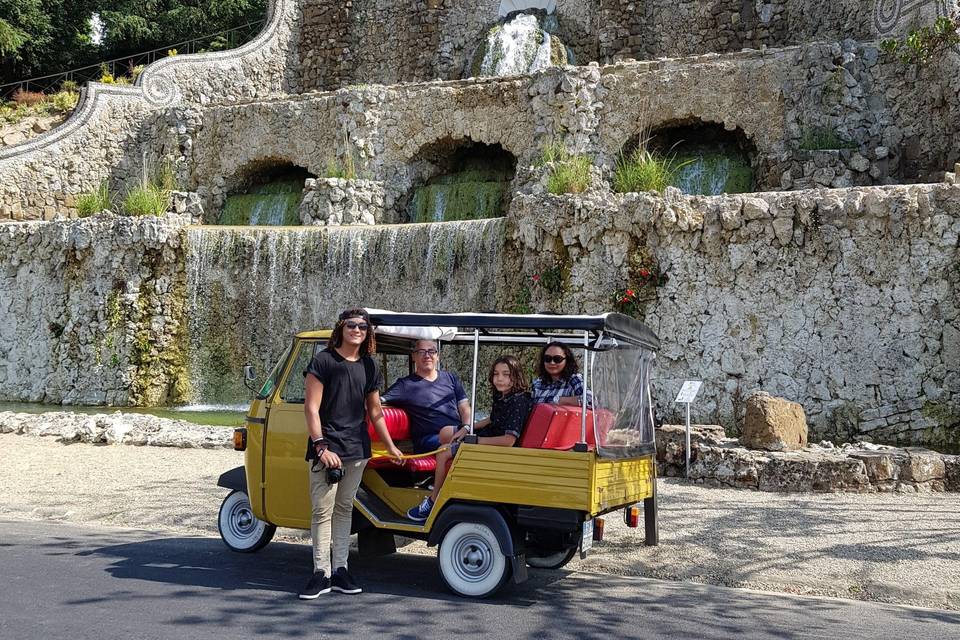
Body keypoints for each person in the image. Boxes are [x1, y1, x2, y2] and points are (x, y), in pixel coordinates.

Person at [299, 308, 403, 600]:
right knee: (322, 511)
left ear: (368, 332)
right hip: (327, 449)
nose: (357, 329)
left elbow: (375, 412)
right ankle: (321, 573)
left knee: (344, 510)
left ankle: (341, 569)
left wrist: (390, 445)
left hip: (357, 449)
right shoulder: (323, 361)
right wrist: (321, 446)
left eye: (362, 326)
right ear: (341, 328)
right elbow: (311, 408)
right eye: (351, 325)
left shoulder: (369, 366)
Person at [407, 355, 533, 522]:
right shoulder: (504, 396)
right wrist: (468, 428)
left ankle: (433, 501)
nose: (499, 379)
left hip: (497, 446)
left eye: (506, 374)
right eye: (496, 374)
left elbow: (508, 441)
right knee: (446, 432)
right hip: (490, 435)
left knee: (442, 452)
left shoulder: (518, 401)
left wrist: (475, 441)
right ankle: (445, 476)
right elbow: (493, 419)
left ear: (516, 376)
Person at [381, 339, 472, 454]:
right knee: (464, 445)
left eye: (431, 351)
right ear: (414, 356)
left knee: (484, 438)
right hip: (428, 440)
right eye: (421, 351)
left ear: (438, 356)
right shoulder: (404, 385)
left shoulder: (451, 378)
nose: (427, 355)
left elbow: (464, 408)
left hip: (456, 431)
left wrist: (466, 427)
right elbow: (376, 402)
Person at [531, 341, 592, 407]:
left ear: (567, 360)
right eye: (547, 358)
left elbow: (590, 400)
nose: (552, 363)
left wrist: (557, 400)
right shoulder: (538, 383)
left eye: (557, 359)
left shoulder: (573, 380)